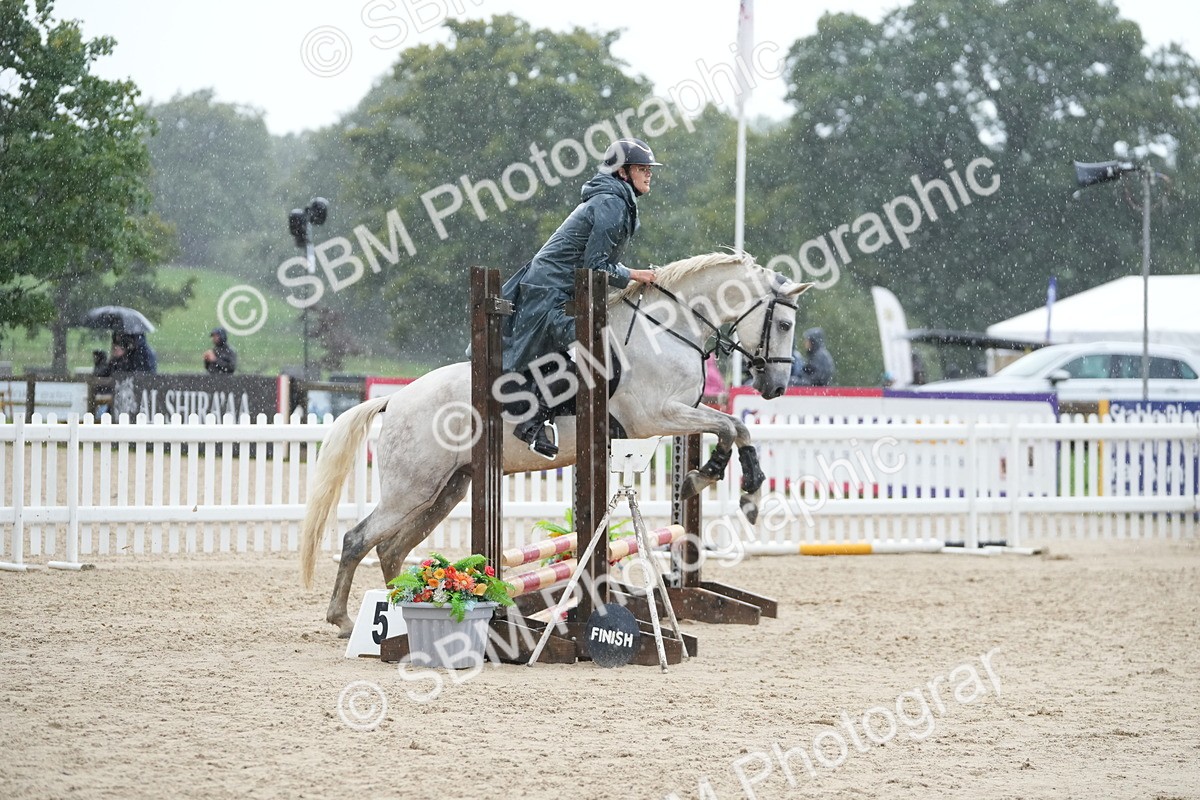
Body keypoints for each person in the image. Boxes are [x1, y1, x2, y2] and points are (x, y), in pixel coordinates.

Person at [499, 137, 660, 459]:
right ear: (623, 173)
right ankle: (531, 420)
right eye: (642, 168)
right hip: (548, 294)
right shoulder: (611, 203)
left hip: (558, 290)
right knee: (598, 358)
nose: (649, 174)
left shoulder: (616, 200)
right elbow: (595, 266)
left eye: (648, 169)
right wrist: (633, 274)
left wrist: (629, 274)